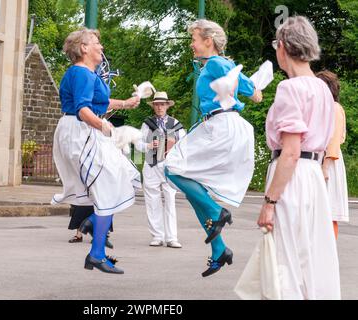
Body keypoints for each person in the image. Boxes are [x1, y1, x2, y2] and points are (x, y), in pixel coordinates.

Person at [164, 19, 262, 277]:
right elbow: (247, 91)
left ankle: (218, 212)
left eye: (194, 39)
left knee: (172, 168)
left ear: (208, 40)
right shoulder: (213, 65)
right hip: (215, 124)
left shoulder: (218, 63)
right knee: (195, 194)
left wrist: (249, 87)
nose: (191, 44)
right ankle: (219, 248)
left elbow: (252, 91)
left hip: (222, 125)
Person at [257, 16, 340, 299]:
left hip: (291, 175)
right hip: (313, 176)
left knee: (285, 258)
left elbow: (290, 151)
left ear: (282, 46)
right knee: (311, 258)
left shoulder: (289, 88)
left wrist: (269, 201)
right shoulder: (322, 89)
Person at [51, 28, 141, 274]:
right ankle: (96, 252)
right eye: (97, 43)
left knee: (124, 177)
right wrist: (103, 125)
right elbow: (82, 109)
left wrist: (126, 103)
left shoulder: (89, 74)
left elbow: (99, 102)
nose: (101, 47)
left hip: (87, 131)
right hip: (79, 131)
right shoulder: (80, 73)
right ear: (84, 48)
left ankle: (92, 227)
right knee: (107, 187)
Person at [135, 91, 186, 248]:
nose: (159, 107)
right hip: (151, 165)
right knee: (152, 201)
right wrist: (148, 146)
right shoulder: (147, 123)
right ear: (154, 106)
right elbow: (137, 144)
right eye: (157, 104)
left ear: (167, 106)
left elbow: (184, 145)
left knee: (170, 200)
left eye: (162, 104)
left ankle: (172, 237)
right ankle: (157, 236)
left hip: (169, 167)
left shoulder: (175, 124)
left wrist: (174, 150)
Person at [316, 70, 349, 239]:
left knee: (328, 212)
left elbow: (333, 141)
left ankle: (327, 254)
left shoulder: (334, 108)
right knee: (318, 212)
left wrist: (324, 168)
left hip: (328, 162)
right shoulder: (323, 108)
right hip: (322, 160)